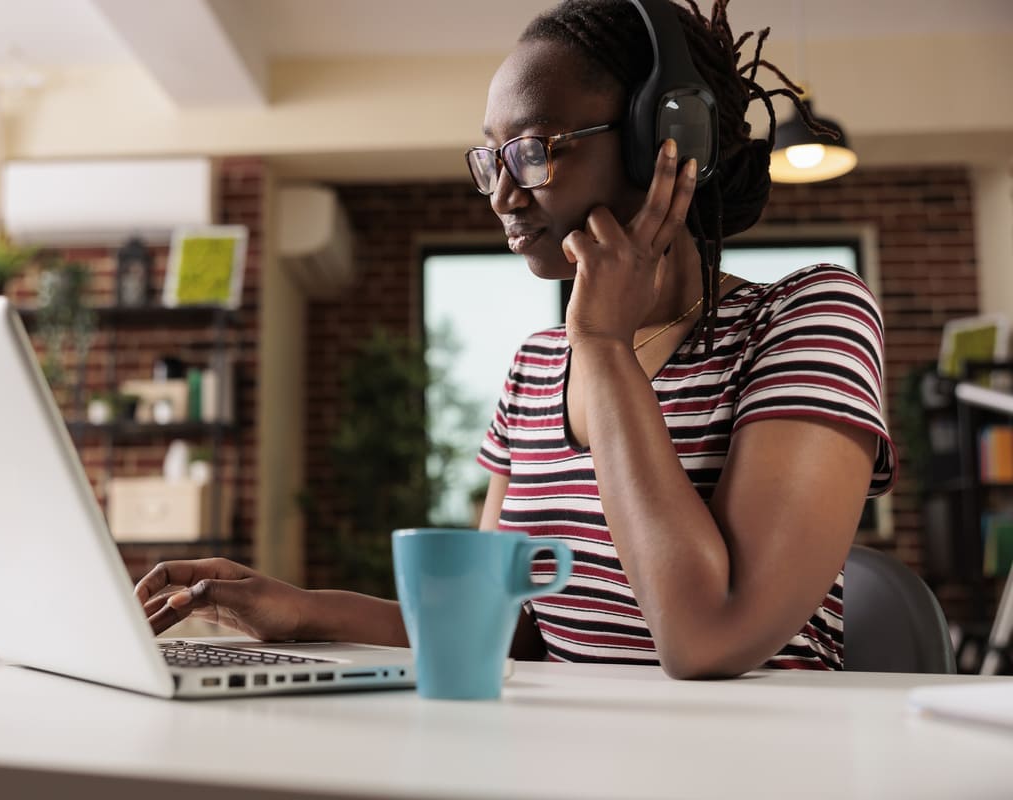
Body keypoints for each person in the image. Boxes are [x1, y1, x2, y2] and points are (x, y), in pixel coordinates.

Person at [136, 0, 896, 679]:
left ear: (662, 140)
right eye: (490, 158)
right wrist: (302, 611)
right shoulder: (538, 364)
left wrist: (601, 343)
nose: (501, 192)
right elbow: (506, 626)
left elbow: (708, 636)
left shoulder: (806, 319)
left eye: (532, 150)